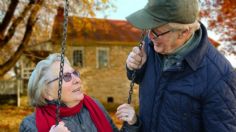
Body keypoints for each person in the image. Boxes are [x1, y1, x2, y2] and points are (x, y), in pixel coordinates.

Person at [125, 0, 236, 131]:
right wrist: (135, 67)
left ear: (184, 32)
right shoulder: (151, 44)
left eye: (156, 32)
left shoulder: (219, 77)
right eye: (149, 29)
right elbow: (139, 79)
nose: (150, 36)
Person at [20, 53, 140, 132]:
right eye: (66, 77)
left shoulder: (94, 106)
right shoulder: (30, 125)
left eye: (75, 73)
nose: (77, 79)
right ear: (47, 93)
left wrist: (132, 123)